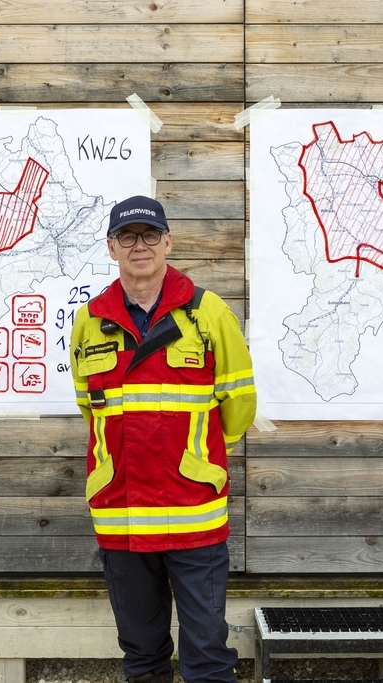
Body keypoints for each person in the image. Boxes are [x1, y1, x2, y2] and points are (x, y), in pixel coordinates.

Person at [69, 195, 256, 683]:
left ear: (168, 242)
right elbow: (92, 410)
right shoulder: (90, 321)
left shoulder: (208, 313)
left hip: (193, 512)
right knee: (143, 657)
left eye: (150, 235)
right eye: (127, 237)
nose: (140, 246)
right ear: (112, 248)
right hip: (121, 516)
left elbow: (239, 405)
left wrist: (202, 459)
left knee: (207, 656)